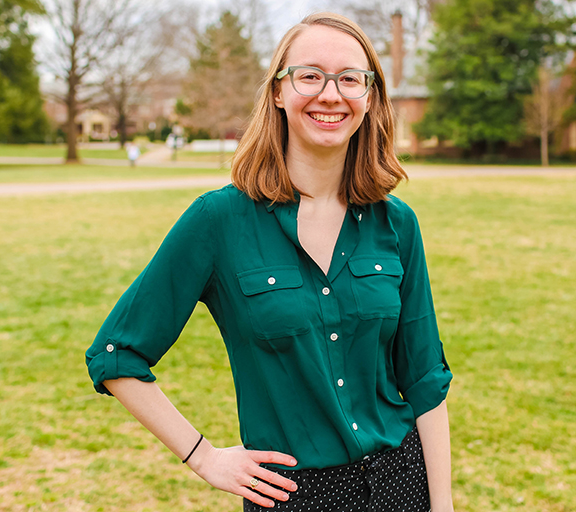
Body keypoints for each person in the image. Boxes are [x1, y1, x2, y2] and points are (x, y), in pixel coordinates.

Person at [85, 12, 453, 512]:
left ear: (369, 99)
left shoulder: (397, 224)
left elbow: (425, 379)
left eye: (350, 78)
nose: (331, 94)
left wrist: (443, 505)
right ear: (278, 91)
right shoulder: (219, 220)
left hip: (401, 485)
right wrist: (203, 456)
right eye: (310, 75)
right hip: (293, 497)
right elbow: (116, 354)